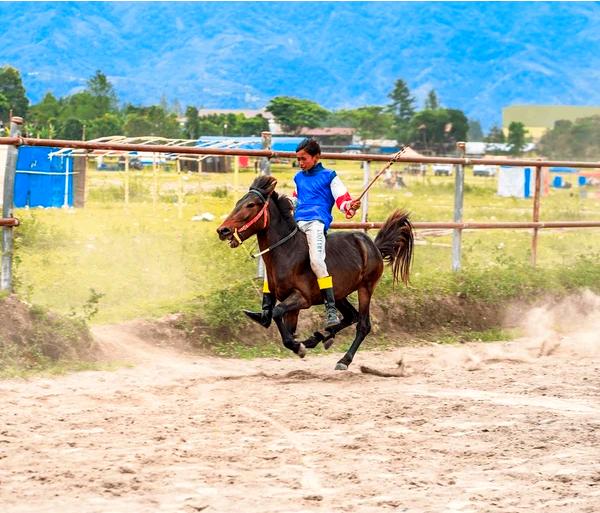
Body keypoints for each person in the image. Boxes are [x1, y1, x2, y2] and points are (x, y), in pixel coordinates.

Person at [244, 138, 360, 330]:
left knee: (316, 261)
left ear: (316, 157)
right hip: (297, 224)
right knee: (271, 261)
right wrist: (282, 202)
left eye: (303, 158)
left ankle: (331, 309)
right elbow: (296, 199)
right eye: (298, 159)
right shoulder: (299, 177)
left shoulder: (330, 176)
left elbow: (343, 200)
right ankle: (266, 311)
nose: (300, 162)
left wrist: (350, 206)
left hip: (316, 224)